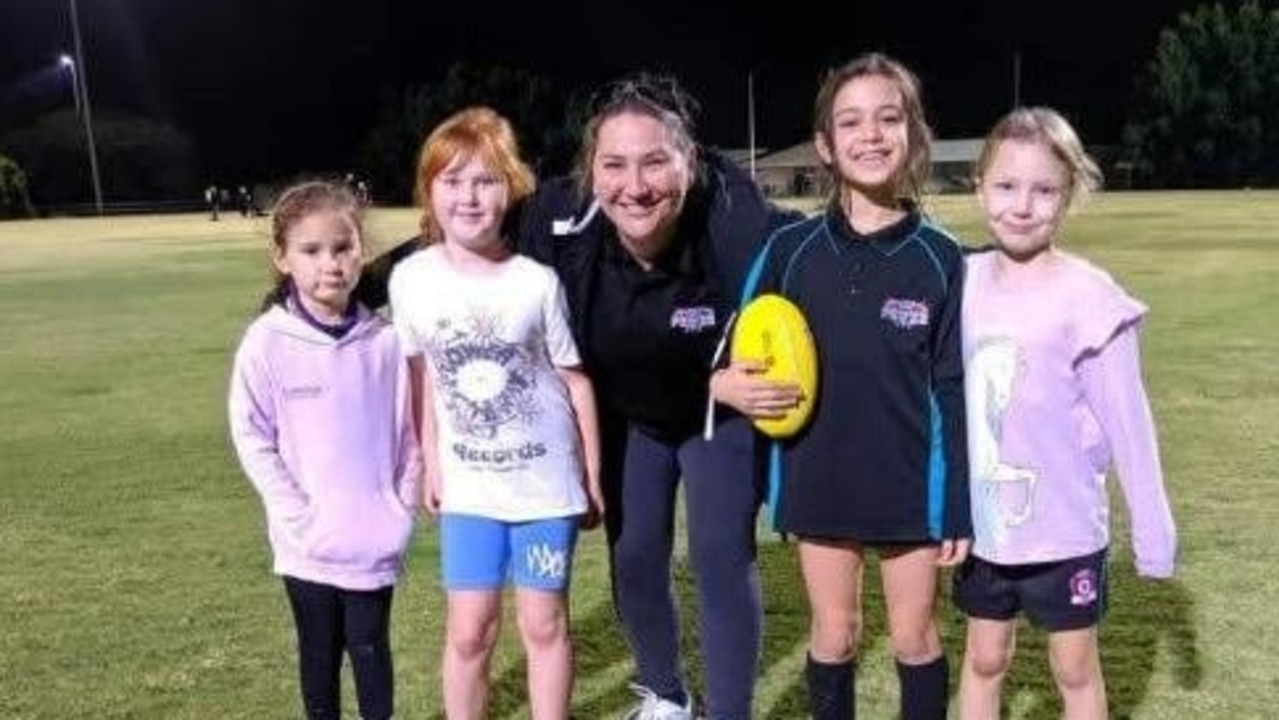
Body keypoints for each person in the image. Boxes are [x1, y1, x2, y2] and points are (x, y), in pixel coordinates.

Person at [359, 73, 803, 720]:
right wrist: (342, 289)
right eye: (614, 164)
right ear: (590, 170)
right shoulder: (558, 216)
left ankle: (729, 711)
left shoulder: (735, 218)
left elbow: (822, 253)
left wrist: (980, 265)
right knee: (634, 551)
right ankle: (665, 696)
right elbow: (463, 223)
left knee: (717, 551)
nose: (635, 185)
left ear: (689, 161)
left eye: (656, 161)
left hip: (719, 411)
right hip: (636, 411)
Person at [712, 53, 970, 719]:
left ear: (913, 134)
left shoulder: (942, 260)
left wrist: (956, 503)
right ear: (824, 145)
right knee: (835, 633)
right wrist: (726, 386)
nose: (871, 135)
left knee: (914, 637)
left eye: (889, 118)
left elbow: (953, 389)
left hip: (909, 485)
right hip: (817, 474)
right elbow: (733, 355)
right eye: (850, 122)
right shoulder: (788, 251)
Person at [954, 107, 1177, 720]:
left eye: (1044, 189)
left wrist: (1154, 539)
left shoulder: (1090, 297)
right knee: (983, 659)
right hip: (985, 529)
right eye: (1005, 186)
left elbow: (1131, 427)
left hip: (1065, 529)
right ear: (979, 187)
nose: (1022, 205)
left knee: (1074, 668)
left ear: (1069, 195)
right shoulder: (961, 282)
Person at [387, 106, 604, 720]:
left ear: (510, 188)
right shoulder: (409, 280)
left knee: (543, 624)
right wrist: (429, 461)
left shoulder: (535, 282)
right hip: (471, 489)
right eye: (452, 181)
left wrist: (590, 475)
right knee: (469, 632)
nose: (469, 196)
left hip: (543, 487)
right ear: (429, 191)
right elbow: (422, 376)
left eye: (484, 180)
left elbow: (575, 382)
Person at [227, 179, 421, 720]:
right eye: (311, 251)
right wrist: (297, 515)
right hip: (306, 544)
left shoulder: (384, 342)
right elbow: (252, 435)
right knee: (319, 653)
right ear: (282, 258)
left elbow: (409, 435)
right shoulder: (268, 341)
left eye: (342, 248)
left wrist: (399, 509)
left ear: (361, 251)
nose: (330, 264)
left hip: (371, 540)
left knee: (370, 648)